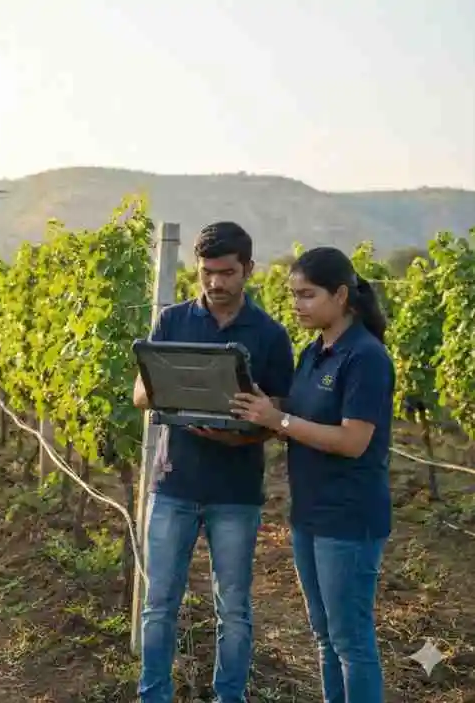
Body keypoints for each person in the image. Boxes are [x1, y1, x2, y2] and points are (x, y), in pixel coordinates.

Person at [133, 222, 295, 703]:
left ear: (248, 269)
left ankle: (230, 697)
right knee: (159, 605)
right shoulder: (172, 322)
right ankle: (153, 696)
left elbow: (280, 416)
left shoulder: (270, 335)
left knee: (235, 610)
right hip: (173, 485)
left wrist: (239, 431)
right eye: (207, 272)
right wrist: (182, 395)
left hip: (236, 491)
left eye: (226, 273)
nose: (215, 282)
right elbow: (141, 393)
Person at [232, 247, 393, 702]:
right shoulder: (313, 352)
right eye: (293, 295)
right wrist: (257, 403)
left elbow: (352, 440)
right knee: (325, 636)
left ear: (340, 295)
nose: (296, 304)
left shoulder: (365, 357)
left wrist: (277, 420)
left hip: (349, 517)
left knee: (351, 641)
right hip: (309, 514)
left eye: (307, 295)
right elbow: (299, 414)